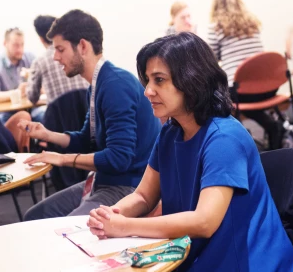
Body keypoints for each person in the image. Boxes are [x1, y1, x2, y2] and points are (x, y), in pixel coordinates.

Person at [87, 32, 293, 271]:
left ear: (191, 80)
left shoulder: (224, 137)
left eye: (159, 80)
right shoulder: (171, 132)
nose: (148, 91)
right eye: (147, 80)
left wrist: (125, 225)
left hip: (244, 263)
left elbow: (205, 221)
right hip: (193, 255)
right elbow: (143, 196)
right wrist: (111, 216)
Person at [18, 10, 161, 221]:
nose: (55, 57)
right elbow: (87, 139)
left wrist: (63, 159)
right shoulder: (98, 83)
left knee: (62, 233)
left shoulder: (115, 85)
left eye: (60, 49)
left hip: (129, 186)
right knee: (35, 216)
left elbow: (119, 159)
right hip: (108, 180)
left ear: (83, 46)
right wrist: (48, 134)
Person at [208, 0, 284, 150]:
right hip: (267, 88)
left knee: (219, 97)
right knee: (244, 98)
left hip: (240, 92)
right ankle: (272, 126)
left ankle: (238, 140)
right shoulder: (252, 23)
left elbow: (209, 61)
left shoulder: (216, 27)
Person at [0, 28, 43, 123]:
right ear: (5, 43)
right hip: (7, 113)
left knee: (47, 118)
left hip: (32, 110)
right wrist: (17, 92)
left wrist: (33, 85)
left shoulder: (30, 58)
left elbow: (45, 86)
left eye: (22, 45)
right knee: (3, 126)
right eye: (15, 45)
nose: (20, 49)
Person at [26, 15, 89, 105]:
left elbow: (32, 98)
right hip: (87, 111)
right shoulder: (77, 52)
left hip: (58, 116)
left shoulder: (39, 61)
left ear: (41, 39)